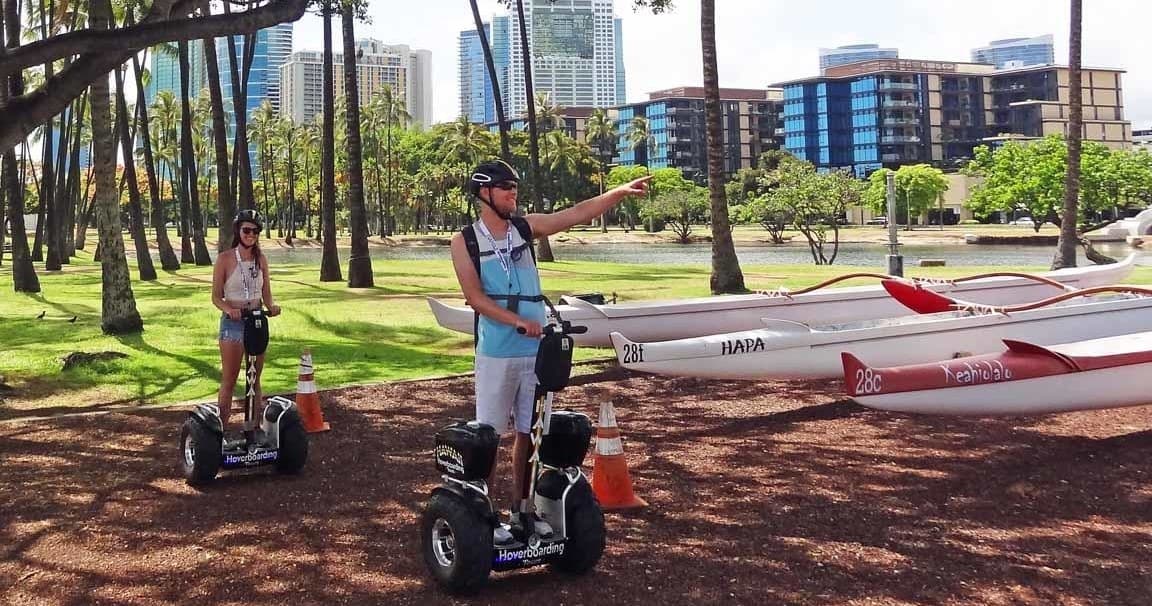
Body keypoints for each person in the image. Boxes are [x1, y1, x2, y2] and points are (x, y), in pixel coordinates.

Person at [450, 159, 650, 543]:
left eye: (515, 186)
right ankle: (485, 517)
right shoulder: (465, 241)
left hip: (535, 352)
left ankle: (522, 512)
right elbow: (474, 298)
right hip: (497, 351)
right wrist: (517, 322)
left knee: (530, 434)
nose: (514, 192)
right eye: (506, 186)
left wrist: (618, 193)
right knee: (489, 436)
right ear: (483, 192)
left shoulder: (524, 228)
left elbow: (574, 214)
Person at [212, 209, 281, 433]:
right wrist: (229, 309)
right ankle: (219, 431)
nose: (251, 234)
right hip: (233, 323)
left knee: (254, 377)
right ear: (238, 231)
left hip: (256, 321)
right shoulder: (225, 259)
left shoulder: (261, 259)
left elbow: (266, 291)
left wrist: (271, 306)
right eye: (246, 230)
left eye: (255, 231)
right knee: (229, 379)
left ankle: (252, 427)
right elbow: (215, 296)